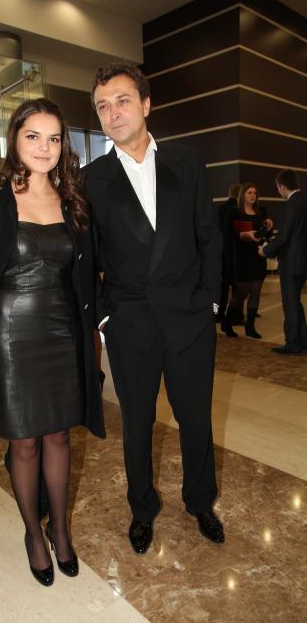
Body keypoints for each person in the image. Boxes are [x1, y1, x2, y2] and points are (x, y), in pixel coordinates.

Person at [0, 98, 104, 586]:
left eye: (53, 138)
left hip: (62, 331)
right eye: (33, 136)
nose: (44, 147)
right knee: (23, 442)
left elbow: (85, 275)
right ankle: (33, 535)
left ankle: (59, 529)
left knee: (58, 435)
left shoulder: (72, 200)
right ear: (15, 139)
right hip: (10, 335)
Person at [84, 62, 224, 554]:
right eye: (103, 106)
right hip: (130, 324)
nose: (113, 113)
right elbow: (87, 259)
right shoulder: (91, 179)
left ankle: (200, 501)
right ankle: (142, 509)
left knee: (196, 419)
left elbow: (208, 236)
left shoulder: (188, 162)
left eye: (122, 101)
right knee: (137, 424)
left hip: (189, 318)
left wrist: (210, 301)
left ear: (146, 104)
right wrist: (104, 317)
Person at [259, 170, 307, 354]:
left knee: (290, 302)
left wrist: (266, 250)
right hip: (303, 262)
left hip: (291, 262)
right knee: (295, 301)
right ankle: (302, 340)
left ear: (282, 186)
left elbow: (284, 237)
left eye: (277, 187)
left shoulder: (289, 205)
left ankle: (293, 343)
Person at [222, 183, 273, 339]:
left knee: (256, 292)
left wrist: (269, 227)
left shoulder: (260, 212)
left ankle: (250, 327)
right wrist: (243, 235)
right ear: (243, 194)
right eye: (249, 192)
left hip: (258, 255)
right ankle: (226, 322)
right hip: (243, 256)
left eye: (254, 193)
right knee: (241, 293)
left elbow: (265, 235)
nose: (253, 195)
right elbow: (226, 234)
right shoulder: (235, 212)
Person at [216, 183, 241, 323]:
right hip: (236, 252)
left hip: (221, 252)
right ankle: (235, 315)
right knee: (237, 287)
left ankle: (217, 314)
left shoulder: (220, 209)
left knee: (221, 288)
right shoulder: (239, 210)